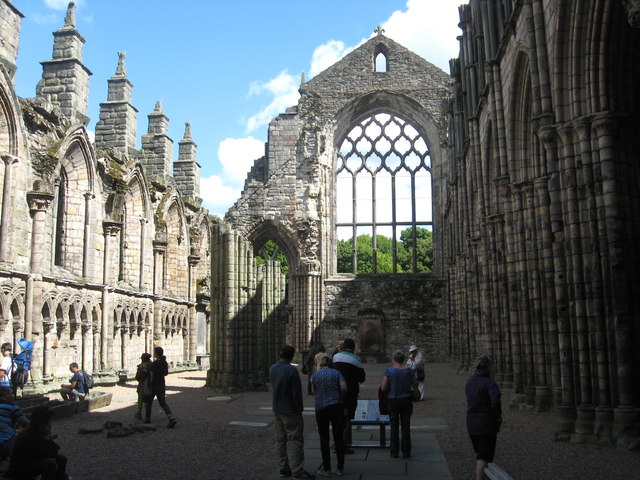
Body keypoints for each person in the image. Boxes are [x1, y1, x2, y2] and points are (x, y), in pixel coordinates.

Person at [270, 345, 313, 479]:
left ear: (280, 354)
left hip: (277, 409)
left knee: (280, 439)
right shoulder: (291, 370)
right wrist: (299, 409)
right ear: (292, 356)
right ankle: (297, 470)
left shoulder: (272, 368)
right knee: (295, 439)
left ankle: (283, 467)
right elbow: (296, 392)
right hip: (290, 410)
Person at [5, 405, 68, 480]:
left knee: (62, 458)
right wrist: (47, 439)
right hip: (20, 467)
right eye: (47, 423)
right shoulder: (28, 435)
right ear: (42, 424)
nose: (49, 425)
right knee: (50, 463)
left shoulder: (39, 432)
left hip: (32, 462)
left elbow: (54, 452)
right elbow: (43, 454)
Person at [466, 354, 502, 480]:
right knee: (483, 456)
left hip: (471, 424)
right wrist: (496, 415)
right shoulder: (489, 383)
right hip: (486, 424)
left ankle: (484, 475)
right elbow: (495, 400)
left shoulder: (470, 382)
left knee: (481, 453)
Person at [311, 356, 347, 477]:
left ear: (321, 365)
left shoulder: (316, 375)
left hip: (321, 408)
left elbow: (314, 390)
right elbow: (343, 388)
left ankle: (326, 468)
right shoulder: (337, 373)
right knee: (338, 436)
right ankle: (340, 468)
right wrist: (337, 396)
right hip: (336, 406)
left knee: (324, 438)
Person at [333, 338, 365, 453]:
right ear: (353, 348)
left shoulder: (336, 357)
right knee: (347, 418)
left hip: (336, 391)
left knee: (337, 417)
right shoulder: (356, 359)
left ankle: (336, 442)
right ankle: (344, 444)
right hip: (350, 392)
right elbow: (362, 378)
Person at [380, 350, 414, 458]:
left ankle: (394, 451)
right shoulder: (409, 371)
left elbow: (384, 388)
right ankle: (406, 451)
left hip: (393, 401)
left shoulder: (389, 371)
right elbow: (414, 385)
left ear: (393, 359)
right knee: (406, 426)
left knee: (394, 426)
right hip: (406, 400)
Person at [144, 346, 177, 428]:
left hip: (153, 385)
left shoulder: (155, 364)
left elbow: (149, 372)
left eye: (154, 352)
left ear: (156, 353)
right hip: (161, 385)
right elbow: (165, 373)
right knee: (162, 403)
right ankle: (171, 417)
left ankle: (147, 419)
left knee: (149, 402)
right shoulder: (164, 363)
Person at [0, 386, 29, 459]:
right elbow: (27, 424)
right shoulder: (12, 407)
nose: (12, 396)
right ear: (5, 395)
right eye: (11, 394)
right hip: (5, 443)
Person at [134, 352, 152, 420]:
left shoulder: (141, 367)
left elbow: (137, 377)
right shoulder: (151, 366)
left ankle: (139, 414)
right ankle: (147, 417)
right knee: (148, 402)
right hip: (150, 386)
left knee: (140, 400)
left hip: (142, 386)